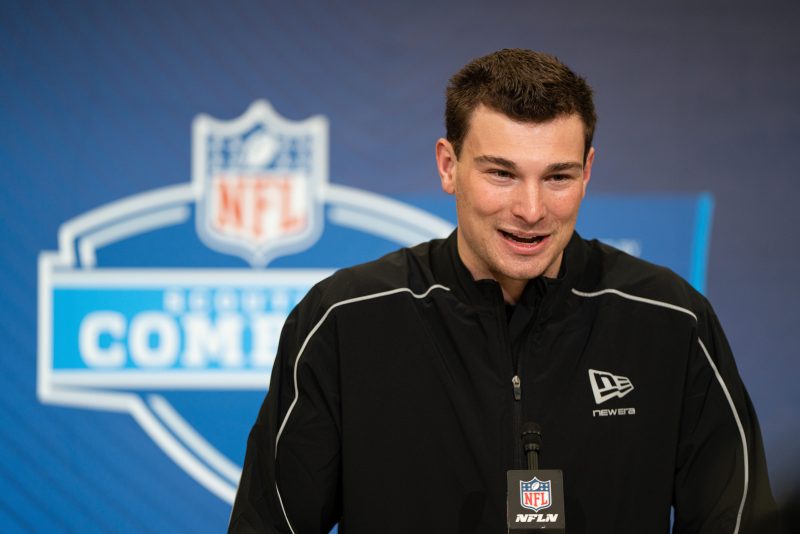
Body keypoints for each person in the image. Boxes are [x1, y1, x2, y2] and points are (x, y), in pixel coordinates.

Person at [229, 49, 777, 533]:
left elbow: (736, 521)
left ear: (588, 171)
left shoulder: (670, 321)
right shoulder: (346, 320)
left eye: (558, 177)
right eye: (502, 174)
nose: (531, 210)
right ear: (449, 166)